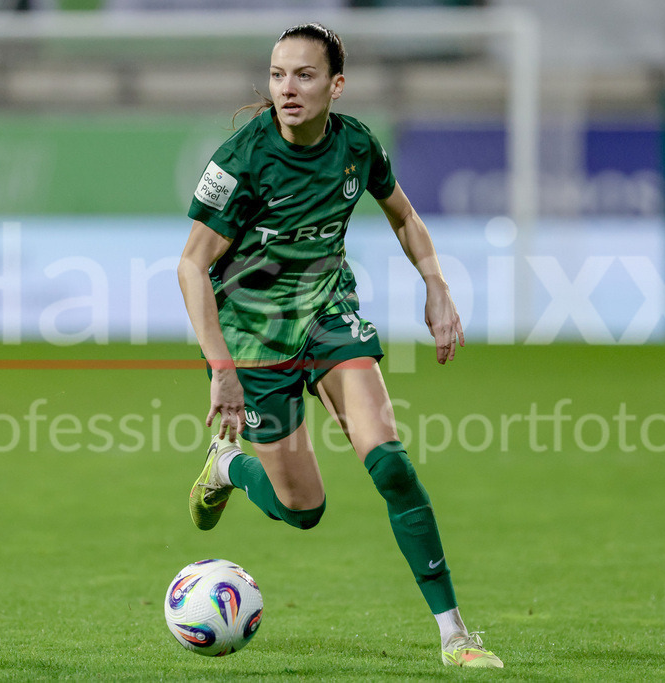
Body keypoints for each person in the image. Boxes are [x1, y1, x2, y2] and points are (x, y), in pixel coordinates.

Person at [176, 22, 502, 669]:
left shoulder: (356, 145)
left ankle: (456, 635)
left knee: (391, 464)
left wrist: (436, 284)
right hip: (255, 340)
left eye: (304, 75)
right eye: (278, 75)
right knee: (303, 509)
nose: (287, 88)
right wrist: (221, 367)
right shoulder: (242, 159)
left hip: (329, 316)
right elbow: (191, 265)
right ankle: (228, 466)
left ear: (336, 84)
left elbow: (404, 214)